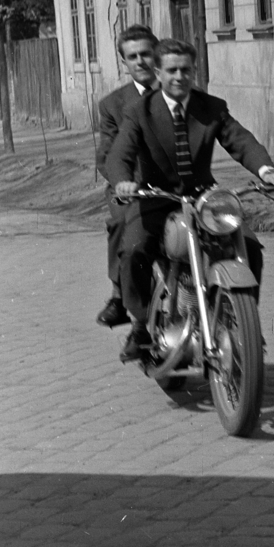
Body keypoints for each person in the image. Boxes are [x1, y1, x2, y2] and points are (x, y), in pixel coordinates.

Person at [107, 38, 274, 361]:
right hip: (155, 198)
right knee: (133, 251)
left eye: (186, 70)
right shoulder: (140, 111)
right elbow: (121, 152)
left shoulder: (211, 107)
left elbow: (239, 139)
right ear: (158, 73)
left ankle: (240, 321)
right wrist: (122, 181)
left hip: (203, 197)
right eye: (172, 70)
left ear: (194, 72)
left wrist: (264, 170)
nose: (179, 77)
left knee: (250, 248)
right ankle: (139, 325)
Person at [94, 25, 158, 327]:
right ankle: (120, 295)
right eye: (133, 56)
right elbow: (106, 155)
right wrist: (122, 182)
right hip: (131, 188)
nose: (141, 61)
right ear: (125, 62)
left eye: (146, 53)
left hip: (173, 187)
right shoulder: (112, 104)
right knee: (121, 221)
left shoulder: (178, 91)